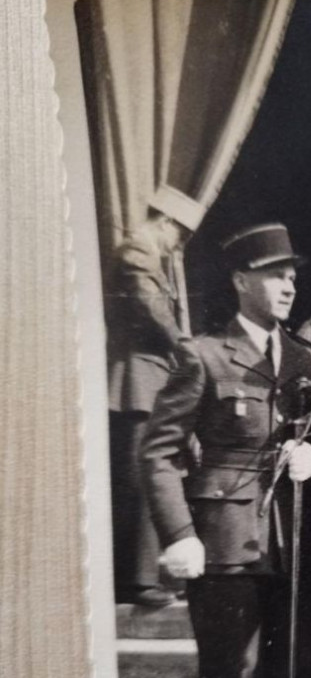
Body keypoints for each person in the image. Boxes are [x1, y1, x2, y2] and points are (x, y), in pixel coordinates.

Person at [141, 223, 311, 678]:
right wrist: (180, 533)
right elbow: (158, 453)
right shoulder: (204, 356)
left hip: (290, 545)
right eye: (275, 274)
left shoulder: (308, 361)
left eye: (293, 275)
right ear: (241, 281)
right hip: (221, 546)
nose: (288, 285)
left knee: (289, 676)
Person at [107, 200, 192, 606]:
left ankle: (142, 576)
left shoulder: (148, 253)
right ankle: (138, 582)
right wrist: (185, 348)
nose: (177, 245)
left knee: (145, 476)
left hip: (148, 380)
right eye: (178, 234)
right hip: (136, 381)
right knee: (141, 480)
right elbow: (151, 308)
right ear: (164, 222)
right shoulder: (138, 251)